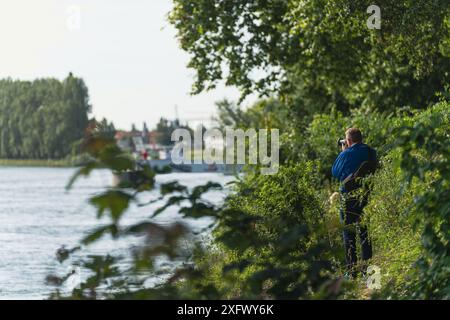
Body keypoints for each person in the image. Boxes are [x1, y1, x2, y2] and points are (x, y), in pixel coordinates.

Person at [332, 128, 376, 278]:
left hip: (348, 199)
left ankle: (351, 273)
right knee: (364, 233)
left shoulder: (346, 153)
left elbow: (335, 173)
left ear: (348, 141)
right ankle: (367, 271)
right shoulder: (370, 151)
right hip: (365, 196)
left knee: (348, 233)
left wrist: (344, 151)